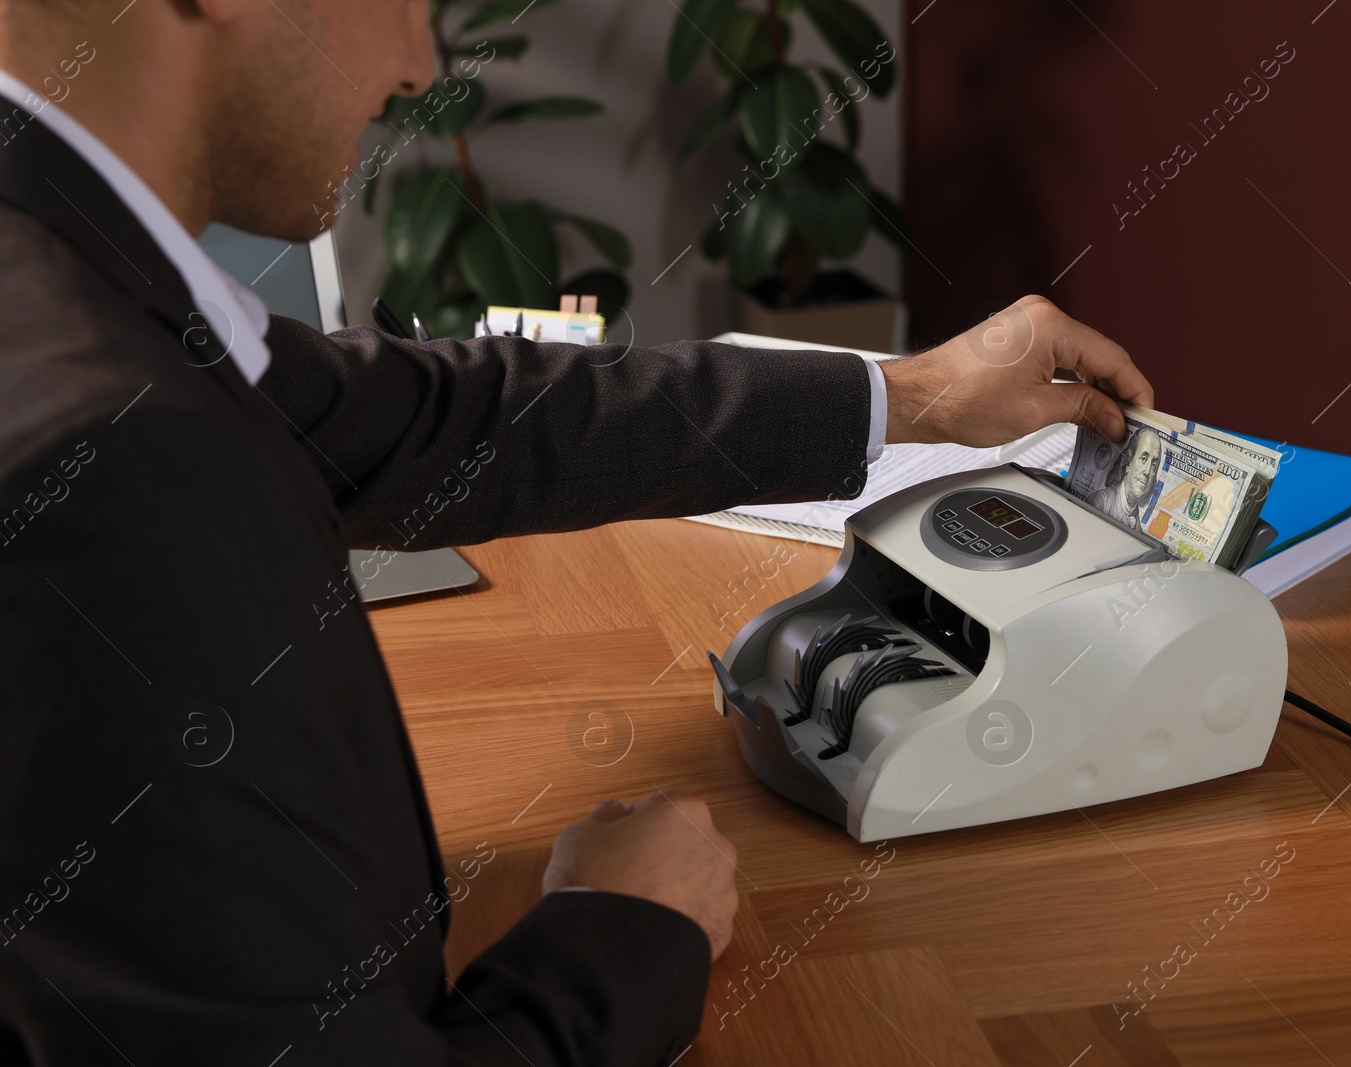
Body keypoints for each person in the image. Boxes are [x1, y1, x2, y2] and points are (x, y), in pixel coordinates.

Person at [0, 0, 1154, 1062]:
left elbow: (437, 420)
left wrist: (912, 396)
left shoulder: (64, 271)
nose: (419, 62)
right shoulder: (115, 461)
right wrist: (623, 932)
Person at [1088, 426, 1164, 530]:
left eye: (1154, 465)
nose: (1147, 471)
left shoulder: (1138, 529)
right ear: (1128, 463)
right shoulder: (1099, 502)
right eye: (1143, 459)